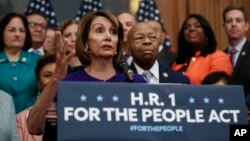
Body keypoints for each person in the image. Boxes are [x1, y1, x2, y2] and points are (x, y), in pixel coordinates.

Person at [27, 11, 146, 135]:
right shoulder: (68, 83)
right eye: (99, 30)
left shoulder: (136, 82)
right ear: (85, 43)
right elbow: (33, 127)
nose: (108, 37)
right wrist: (56, 78)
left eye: (113, 32)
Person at [172, 14, 233, 84]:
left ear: (207, 33)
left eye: (197, 26)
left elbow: (217, 88)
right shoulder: (178, 61)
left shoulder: (219, 57)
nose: (191, 29)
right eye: (186, 27)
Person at [0, 12, 40, 113]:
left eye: (22, 30)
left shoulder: (38, 61)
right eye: (11, 30)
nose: (17, 34)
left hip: (31, 121)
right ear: (2, 33)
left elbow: (43, 92)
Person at [16, 54, 56, 141]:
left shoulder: (76, 113)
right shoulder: (21, 118)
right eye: (47, 75)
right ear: (38, 82)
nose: (54, 80)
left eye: (59, 74)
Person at [223, 5, 250, 108]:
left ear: (247, 25)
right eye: (229, 21)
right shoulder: (220, 56)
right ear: (224, 26)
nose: (233, 24)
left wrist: (244, 104)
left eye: (238, 20)